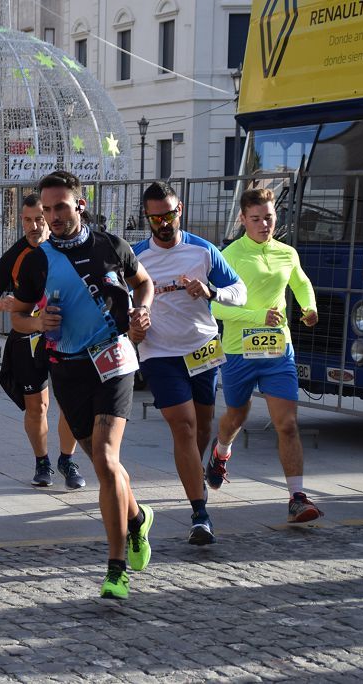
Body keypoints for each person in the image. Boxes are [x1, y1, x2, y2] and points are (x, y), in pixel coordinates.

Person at [11, 171, 154, 600]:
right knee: (99, 461)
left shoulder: (111, 246)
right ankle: (136, 519)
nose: (53, 216)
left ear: (81, 204)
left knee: (108, 459)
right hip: (67, 367)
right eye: (47, 209)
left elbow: (142, 281)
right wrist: (37, 322)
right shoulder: (37, 260)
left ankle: (116, 567)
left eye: (61, 207)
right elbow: (17, 317)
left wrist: (142, 311)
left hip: (113, 360)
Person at [131, 182, 247, 545]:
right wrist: (133, 324)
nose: (163, 223)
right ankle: (200, 513)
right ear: (146, 218)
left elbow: (239, 292)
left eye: (168, 215)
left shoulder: (203, 250)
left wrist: (211, 291)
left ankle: (197, 473)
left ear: (179, 209)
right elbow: (118, 301)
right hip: (159, 353)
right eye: (155, 218)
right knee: (182, 426)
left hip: (202, 348)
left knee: (202, 426)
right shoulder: (135, 257)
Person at [210, 187, 323, 524]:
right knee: (235, 417)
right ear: (242, 219)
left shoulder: (287, 253)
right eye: (256, 219)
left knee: (287, 425)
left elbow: (300, 282)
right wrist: (256, 317)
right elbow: (215, 305)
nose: (264, 224)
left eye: (269, 218)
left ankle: (297, 498)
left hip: (278, 349)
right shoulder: (228, 256)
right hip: (238, 351)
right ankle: (220, 452)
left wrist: (309, 307)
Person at [0, 193, 82, 490]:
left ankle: (67, 459)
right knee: (37, 406)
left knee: (69, 403)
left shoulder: (67, 250)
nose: (34, 225)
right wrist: (7, 305)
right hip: (28, 339)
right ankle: (42, 463)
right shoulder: (17, 254)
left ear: (50, 216)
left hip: (67, 338)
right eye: (27, 220)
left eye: (39, 218)